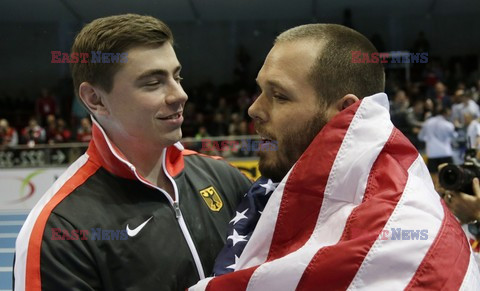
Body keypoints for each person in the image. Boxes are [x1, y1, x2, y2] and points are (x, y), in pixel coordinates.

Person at [190, 24, 479, 290]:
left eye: (279, 96)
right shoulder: (268, 192)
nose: (254, 109)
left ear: (345, 112)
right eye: (260, 90)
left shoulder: (398, 231)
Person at [13, 14, 251, 291]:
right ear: (95, 99)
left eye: (177, 76)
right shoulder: (59, 228)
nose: (180, 94)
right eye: (153, 82)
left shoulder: (222, 177)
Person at [418, 107, 458, 189]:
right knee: (448, 176)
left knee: (433, 178)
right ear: (445, 113)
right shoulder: (448, 124)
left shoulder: (427, 123)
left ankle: (435, 195)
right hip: (445, 153)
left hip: (432, 153)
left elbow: (421, 137)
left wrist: (429, 140)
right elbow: (454, 137)